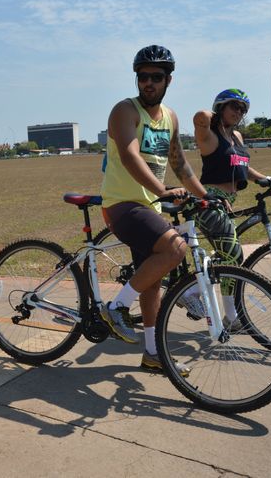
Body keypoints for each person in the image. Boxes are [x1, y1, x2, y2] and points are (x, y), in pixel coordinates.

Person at [100, 45, 209, 376]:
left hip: (148, 207)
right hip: (122, 204)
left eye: (156, 77)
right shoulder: (125, 111)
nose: (149, 83)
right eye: (143, 76)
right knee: (176, 247)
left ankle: (152, 353)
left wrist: (207, 196)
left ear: (168, 80)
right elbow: (131, 156)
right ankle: (117, 306)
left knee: (151, 280)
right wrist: (161, 191)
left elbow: (179, 162)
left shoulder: (171, 118)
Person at [187, 89, 271, 324]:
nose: (239, 112)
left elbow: (242, 167)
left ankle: (196, 290)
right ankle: (222, 310)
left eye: (243, 109)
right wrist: (218, 113)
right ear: (221, 107)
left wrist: (266, 179)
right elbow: (199, 116)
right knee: (233, 255)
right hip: (208, 200)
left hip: (227, 203)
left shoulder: (237, 137)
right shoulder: (209, 135)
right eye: (234, 107)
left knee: (228, 255)